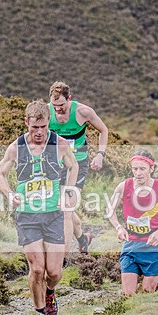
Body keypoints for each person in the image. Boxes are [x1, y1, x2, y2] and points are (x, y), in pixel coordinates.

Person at [0, 99, 78, 315]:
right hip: (27, 216)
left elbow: (73, 166)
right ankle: (40, 311)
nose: (39, 132)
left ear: (48, 122)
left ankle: (50, 291)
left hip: (53, 215)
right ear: (26, 123)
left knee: (54, 272)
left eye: (43, 127)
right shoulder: (16, 148)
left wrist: (68, 191)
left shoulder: (60, 144)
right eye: (34, 128)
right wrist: (10, 194)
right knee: (37, 268)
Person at [107, 150, 158, 295]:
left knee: (147, 294)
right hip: (131, 245)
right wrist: (119, 227)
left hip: (153, 247)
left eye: (142, 169)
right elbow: (110, 211)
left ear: (151, 169)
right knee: (129, 295)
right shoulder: (124, 186)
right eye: (135, 169)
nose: (138, 173)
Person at [48, 81, 109, 254]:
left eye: (61, 105)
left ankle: (63, 256)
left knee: (67, 206)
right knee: (58, 205)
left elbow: (103, 130)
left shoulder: (83, 112)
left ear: (69, 99)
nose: (57, 109)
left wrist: (100, 154)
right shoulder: (47, 112)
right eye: (54, 105)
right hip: (55, 163)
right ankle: (83, 239)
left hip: (78, 163)